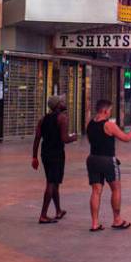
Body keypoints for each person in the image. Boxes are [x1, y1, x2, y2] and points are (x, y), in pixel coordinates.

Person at [86, 98, 131, 231]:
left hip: (92, 159)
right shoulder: (109, 125)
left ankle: (95, 223)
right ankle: (117, 220)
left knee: (96, 191)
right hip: (107, 160)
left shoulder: (90, 124)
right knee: (116, 189)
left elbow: (90, 140)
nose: (110, 113)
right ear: (104, 110)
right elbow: (126, 138)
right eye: (109, 110)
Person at [32, 95, 79, 223]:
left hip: (45, 153)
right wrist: (74, 137)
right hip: (56, 154)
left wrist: (34, 157)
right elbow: (64, 139)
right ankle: (43, 215)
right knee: (51, 183)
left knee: (54, 182)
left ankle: (58, 210)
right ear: (58, 105)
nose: (64, 102)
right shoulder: (62, 118)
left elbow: (37, 138)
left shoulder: (43, 119)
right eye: (62, 101)